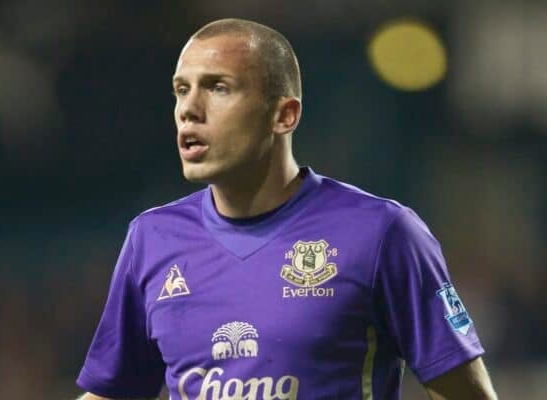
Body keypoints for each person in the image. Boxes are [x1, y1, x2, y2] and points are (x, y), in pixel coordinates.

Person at [76, 18, 498, 400]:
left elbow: (466, 393)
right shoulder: (152, 239)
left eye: (218, 87)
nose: (188, 110)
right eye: (181, 90)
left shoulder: (382, 233)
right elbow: (114, 393)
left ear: (284, 115)